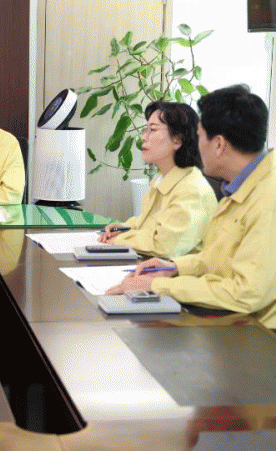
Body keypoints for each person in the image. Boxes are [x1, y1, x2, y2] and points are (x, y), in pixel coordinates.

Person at [106, 85, 276, 328]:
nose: (196, 144)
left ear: (219, 145)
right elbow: (218, 260)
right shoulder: (239, 184)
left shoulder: (269, 199)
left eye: (199, 136)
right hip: (230, 320)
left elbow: (246, 294)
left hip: (257, 333)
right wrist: (176, 267)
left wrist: (158, 285)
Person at [98, 102, 218, 258]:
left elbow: (164, 246)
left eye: (153, 130)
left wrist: (119, 239)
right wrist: (123, 228)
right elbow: (148, 222)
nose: (143, 137)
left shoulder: (191, 191)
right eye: (145, 130)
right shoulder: (162, 177)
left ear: (177, 140)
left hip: (175, 270)